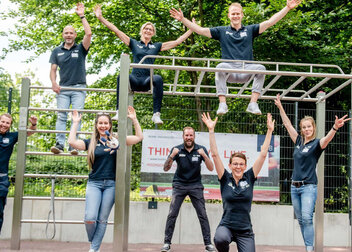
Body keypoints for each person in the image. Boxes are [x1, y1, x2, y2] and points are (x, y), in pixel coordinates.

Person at [170, 0, 301, 115]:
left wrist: (287, 8)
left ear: (242, 15)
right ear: (229, 16)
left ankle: (253, 103)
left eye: (238, 13)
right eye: (233, 13)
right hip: (229, 71)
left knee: (261, 68)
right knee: (219, 67)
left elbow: (269, 22)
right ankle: (222, 104)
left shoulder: (250, 30)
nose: (235, 16)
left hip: (247, 70)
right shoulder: (221, 31)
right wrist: (183, 19)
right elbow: (200, 30)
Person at [94, 5, 195, 124]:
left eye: (150, 29)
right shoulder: (134, 43)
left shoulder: (156, 46)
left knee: (158, 78)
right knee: (121, 76)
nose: (148, 30)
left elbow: (177, 42)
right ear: (142, 31)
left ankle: (156, 114)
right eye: (146, 28)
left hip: (147, 81)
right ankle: (119, 110)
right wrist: (101, 18)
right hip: (134, 80)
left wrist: (192, 28)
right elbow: (116, 30)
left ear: (153, 33)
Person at [274, 94, 350, 251]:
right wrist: (280, 107)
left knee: (307, 218)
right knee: (301, 221)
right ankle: (308, 246)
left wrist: (335, 127)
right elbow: (288, 125)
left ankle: (310, 248)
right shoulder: (298, 141)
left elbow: (328, 139)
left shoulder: (317, 144)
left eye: (309, 126)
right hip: (294, 187)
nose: (306, 129)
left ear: (313, 128)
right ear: (301, 129)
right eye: (304, 127)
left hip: (308, 187)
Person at [68, 106, 143, 252]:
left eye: (106, 123)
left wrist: (134, 120)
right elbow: (72, 142)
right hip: (94, 183)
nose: (103, 126)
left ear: (110, 125)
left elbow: (139, 138)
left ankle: (94, 249)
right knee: (90, 218)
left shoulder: (116, 140)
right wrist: (75, 122)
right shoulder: (90, 142)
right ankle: (94, 240)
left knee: (102, 220)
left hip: (112, 184)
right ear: (96, 125)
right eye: (100, 123)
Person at [202, 112, 274, 252]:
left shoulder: (250, 177)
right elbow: (215, 155)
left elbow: (263, 153)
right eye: (235, 164)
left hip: (244, 230)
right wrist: (211, 130)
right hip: (227, 226)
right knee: (220, 239)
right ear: (230, 166)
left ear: (245, 166)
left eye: (241, 164)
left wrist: (269, 130)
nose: (238, 166)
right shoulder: (225, 177)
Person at [161, 127, 215, 252]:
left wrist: (204, 156)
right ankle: (167, 243)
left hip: (195, 185)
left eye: (191, 135)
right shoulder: (177, 149)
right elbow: (165, 168)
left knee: (202, 214)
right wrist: (172, 156)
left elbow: (211, 168)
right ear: (183, 136)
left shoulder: (200, 149)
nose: (189, 137)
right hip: (179, 185)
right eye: (186, 135)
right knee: (172, 214)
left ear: (194, 136)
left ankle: (208, 244)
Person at [50, 2, 92, 154]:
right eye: (66, 33)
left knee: (77, 116)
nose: (68, 35)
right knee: (61, 116)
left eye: (71, 33)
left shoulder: (81, 48)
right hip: (63, 88)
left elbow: (88, 34)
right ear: (63, 35)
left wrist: (82, 16)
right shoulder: (56, 51)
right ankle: (59, 144)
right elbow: (53, 69)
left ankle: (74, 145)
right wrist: (53, 83)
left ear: (75, 35)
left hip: (79, 87)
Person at [0, 113, 37, 234]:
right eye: (2, 121)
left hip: (2, 179)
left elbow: (29, 132)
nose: (4, 125)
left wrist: (33, 124)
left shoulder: (11, 137)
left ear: (10, 125)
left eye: (7, 123)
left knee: (0, 212)